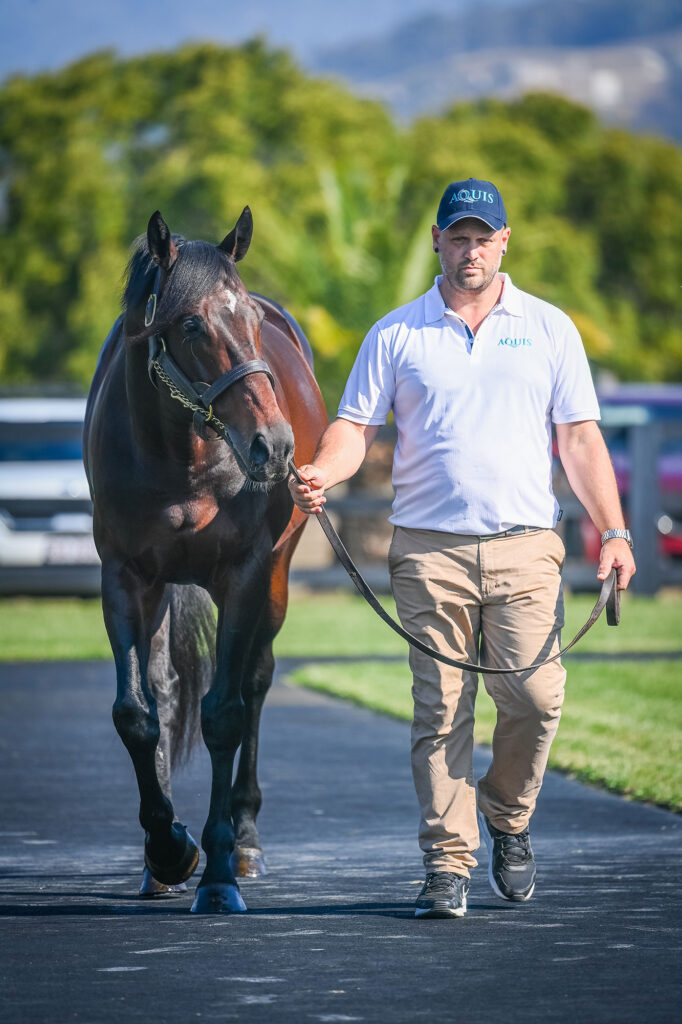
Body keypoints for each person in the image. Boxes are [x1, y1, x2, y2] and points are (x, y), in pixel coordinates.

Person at [288, 178, 636, 919]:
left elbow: (578, 439)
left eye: (483, 235)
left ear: (504, 241)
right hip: (427, 551)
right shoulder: (397, 332)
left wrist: (614, 531)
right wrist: (321, 469)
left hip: (525, 548)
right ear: (439, 241)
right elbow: (355, 428)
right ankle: (447, 865)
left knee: (536, 697)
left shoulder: (548, 328)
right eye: (458, 235)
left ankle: (508, 816)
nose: (470, 248)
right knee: (440, 710)